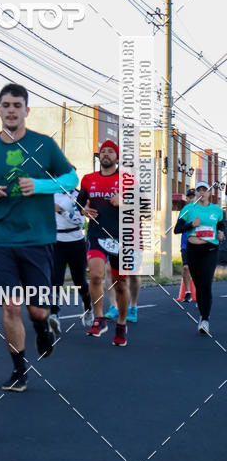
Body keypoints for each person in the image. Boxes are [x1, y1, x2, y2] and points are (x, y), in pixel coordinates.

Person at [0, 83, 78, 391]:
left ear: (26, 110)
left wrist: (40, 185)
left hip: (38, 238)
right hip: (1, 238)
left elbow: (72, 177)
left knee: (38, 309)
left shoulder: (44, 145)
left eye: (17, 105)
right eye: (6, 105)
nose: (11, 110)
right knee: (10, 306)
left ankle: (42, 326)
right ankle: (20, 371)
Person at [77, 140, 130, 346]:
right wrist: (83, 210)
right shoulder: (88, 179)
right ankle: (99, 319)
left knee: (120, 284)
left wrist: (124, 202)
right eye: (103, 151)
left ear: (117, 157)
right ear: (99, 156)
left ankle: (121, 324)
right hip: (96, 235)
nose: (106, 154)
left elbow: (143, 205)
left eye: (110, 151)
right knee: (96, 275)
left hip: (121, 237)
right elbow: (79, 202)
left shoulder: (127, 179)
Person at [174, 181, 225, 334]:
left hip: (210, 249)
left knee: (206, 283)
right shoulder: (188, 209)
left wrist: (221, 233)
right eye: (199, 190)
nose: (202, 192)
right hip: (193, 250)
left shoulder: (217, 210)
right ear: (195, 193)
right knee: (198, 284)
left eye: (205, 190)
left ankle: (205, 319)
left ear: (209, 193)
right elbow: (177, 229)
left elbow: (221, 225)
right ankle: (203, 313)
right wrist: (191, 225)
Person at [51, 184, 93, 330]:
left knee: (79, 280)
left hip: (75, 241)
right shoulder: (50, 194)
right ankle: (54, 314)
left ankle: (88, 307)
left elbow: (79, 220)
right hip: (56, 241)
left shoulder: (77, 195)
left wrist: (61, 210)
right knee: (55, 280)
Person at [177, 188, 196, 303]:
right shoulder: (184, 212)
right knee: (186, 267)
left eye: (193, 197)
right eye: (189, 197)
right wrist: (190, 225)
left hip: (198, 243)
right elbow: (177, 229)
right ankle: (188, 292)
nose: (191, 199)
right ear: (187, 199)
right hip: (185, 244)